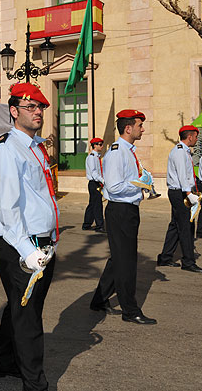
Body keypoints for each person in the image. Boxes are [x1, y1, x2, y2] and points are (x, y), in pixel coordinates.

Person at [0, 82, 58, 391]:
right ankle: (35, 384)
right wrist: (27, 249)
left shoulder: (36, 146)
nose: (38, 112)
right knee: (29, 318)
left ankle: (3, 362)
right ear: (14, 111)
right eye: (30, 107)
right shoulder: (8, 148)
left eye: (41, 106)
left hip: (42, 241)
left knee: (22, 307)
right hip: (22, 246)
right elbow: (7, 207)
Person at [89, 110, 157, 324]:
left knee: (119, 258)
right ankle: (130, 310)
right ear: (128, 128)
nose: (142, 129)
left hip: (127, 210)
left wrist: (142, 183)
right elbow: (114, 186)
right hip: (120, 211)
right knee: (127, 262)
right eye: (139, 125)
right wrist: (139, 186)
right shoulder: (118, 152)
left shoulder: (127, 151)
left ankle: (99, 300)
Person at [157, 125, 202, 273]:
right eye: (196, 137)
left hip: (181, 192)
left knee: (175, 225)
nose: (196, 140)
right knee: (186, 227)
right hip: (180, 193)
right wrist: (188, 193)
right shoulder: (179, 152)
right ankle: (188, 261)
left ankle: (165, 257)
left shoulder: (183, 151)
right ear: (189, 136)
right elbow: (182, 175)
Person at [82, 137, 105, 232]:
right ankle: (99, 225)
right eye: (100, 144)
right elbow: (94, 173)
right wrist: (103, 181)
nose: (102, 146)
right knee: (97, 205)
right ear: (94, 145)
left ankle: (86, 224)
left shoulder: (96, 157)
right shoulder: (92, 157)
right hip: (94, 183)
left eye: (102, 144)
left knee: (92, 204)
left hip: (96, 182)